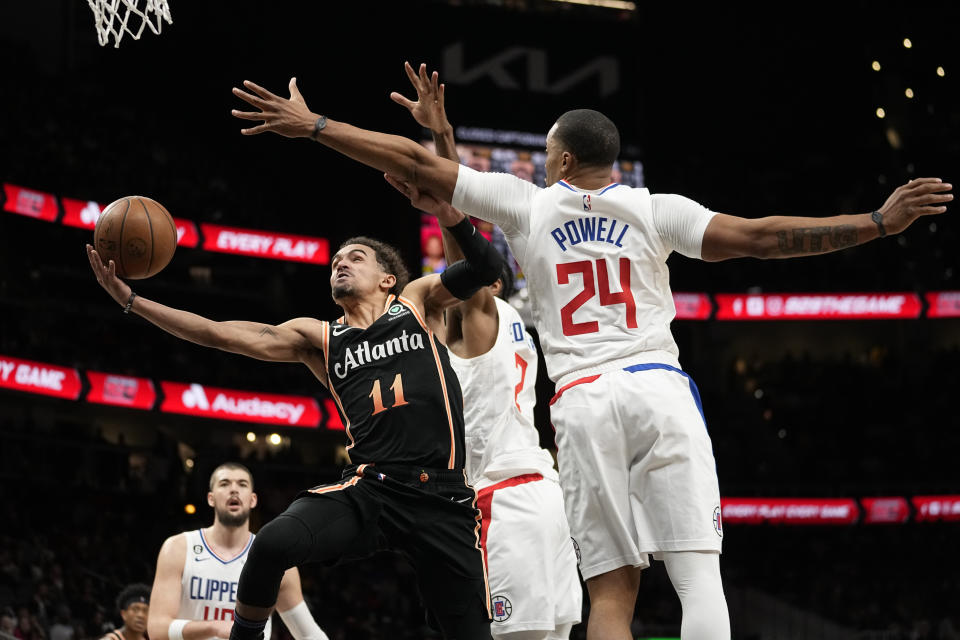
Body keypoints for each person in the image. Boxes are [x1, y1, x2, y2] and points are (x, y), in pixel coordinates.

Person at [229, 69, 952, 640]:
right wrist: (877, 223)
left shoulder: (531, 207)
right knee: (699, 578)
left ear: (564, 159)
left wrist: (316, 126)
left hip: (579, 402)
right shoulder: (658, 207)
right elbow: (765, 236)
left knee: (612, 592)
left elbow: (417, 166)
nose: (541, 165)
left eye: (545, 156)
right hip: (656, 385)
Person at [87, 202, 507, 637]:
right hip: (372, 488)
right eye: (335, 262)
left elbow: (487, 264)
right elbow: (216, 332)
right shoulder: (320, 338)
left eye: (355, 258)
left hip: (442, 497)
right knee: (271, 543)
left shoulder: (417, 303)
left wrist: (449, 212)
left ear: (387, 279)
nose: (341, 263)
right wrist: (133, 302)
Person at [390, 61, 582, 640]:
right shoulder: (524, 326)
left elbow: (466, 245)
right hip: (545, 501)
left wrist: (443, 162)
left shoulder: (483, 313)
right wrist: (444, 138)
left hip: (502, 503)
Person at [145, 463, 328, 640]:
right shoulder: (178, 548)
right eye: (224, 484)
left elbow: (308, 634)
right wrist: (214, 627)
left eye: (242, 484)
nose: (234, 489)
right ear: (211, 498)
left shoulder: (275, 558)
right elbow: (157, 629)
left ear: (253, 499)